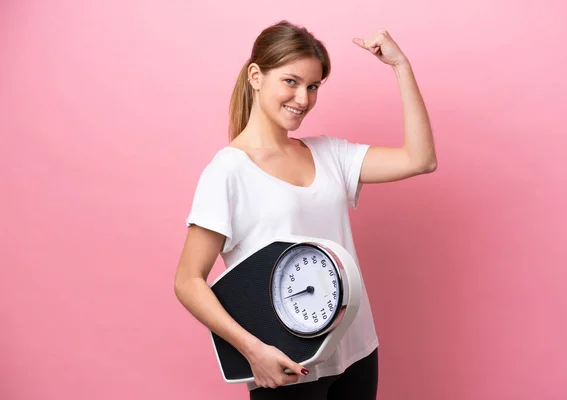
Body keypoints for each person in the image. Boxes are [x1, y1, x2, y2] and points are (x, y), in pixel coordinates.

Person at [174, 20, 437, 400]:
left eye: (313, 87)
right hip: (287, 364)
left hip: (358, 350)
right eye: (291, 82)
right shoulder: (228, 172)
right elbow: (187, 281)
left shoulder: (329, 154)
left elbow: (421, 159)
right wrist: (252, 351)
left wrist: (401, 67)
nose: (303, 99)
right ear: (256, 76)